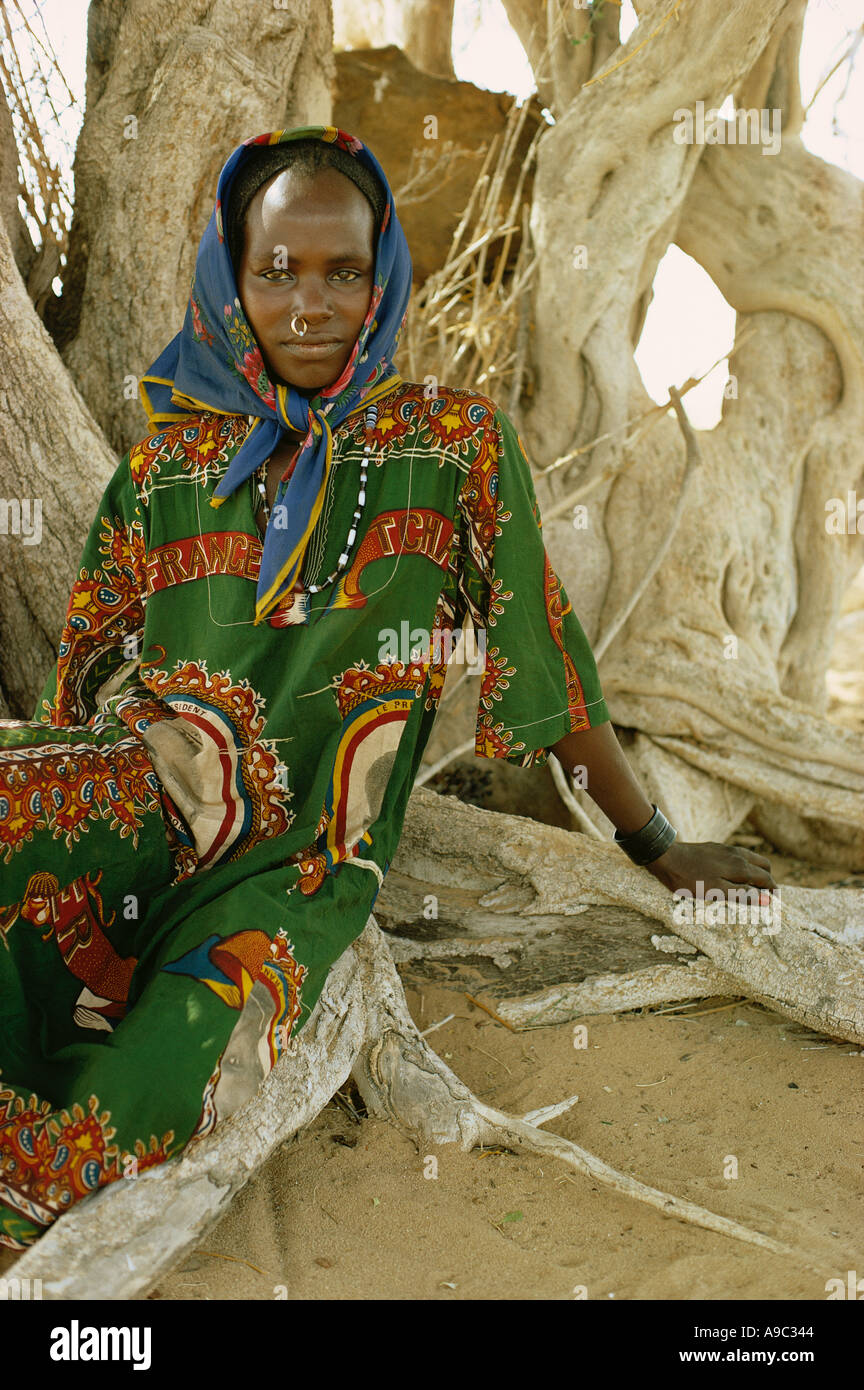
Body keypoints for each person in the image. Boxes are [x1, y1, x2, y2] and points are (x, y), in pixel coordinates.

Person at [0, 125, 776, 1251]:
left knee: (140, 1098)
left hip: (292, 868)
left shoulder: (450, 448)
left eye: (342, 272)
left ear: (382, 279)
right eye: (276, 271)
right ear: (232, 272)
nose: (309, 303)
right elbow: (79, 691)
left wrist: (658, 845)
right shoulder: (164, 464)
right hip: (129, 797)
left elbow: (542, 662)